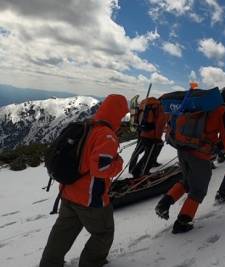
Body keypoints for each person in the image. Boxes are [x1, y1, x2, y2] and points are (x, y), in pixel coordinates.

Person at [40, 94, 129, 267]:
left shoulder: (87, 125)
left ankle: (49, 264)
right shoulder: (107, 136)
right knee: (103, 233)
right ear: (117, 113)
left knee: (63, 232)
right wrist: (118, 164)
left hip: (68, 191)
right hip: (90, 199)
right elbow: (101, 169)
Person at [155, 87, 225, 234]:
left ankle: (164, 204)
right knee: (198, 189)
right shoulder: (222, 111)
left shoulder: (203, 105)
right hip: (200, 155)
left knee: (187, 181)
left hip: (182, 149)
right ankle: (182, 222)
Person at [128, 96, 167, 177]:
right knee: (149, 154)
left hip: (142, 131)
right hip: (151, 135)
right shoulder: (161, 107)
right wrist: (157, 138)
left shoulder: (146, 103)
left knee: (140, 151)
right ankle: (141, 172)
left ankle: (133, 168)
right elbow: (160, 124)